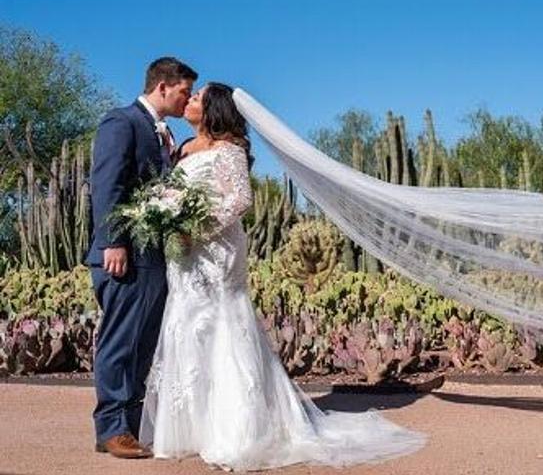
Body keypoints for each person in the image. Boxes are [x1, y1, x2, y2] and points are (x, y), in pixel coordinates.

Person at [139, 82, 426, 471]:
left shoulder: (230, 149)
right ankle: (193, 428)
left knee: (221, 323)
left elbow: (239, 200)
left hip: (216, 249)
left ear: (213, 110)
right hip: (184, 257)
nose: (189, 101)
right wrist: (170, 222)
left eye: (197, 98)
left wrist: (197, 229)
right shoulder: (182, 150)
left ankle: (237, 430)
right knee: (187, 322)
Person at [85, 57, 197, 459]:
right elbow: (107, 182)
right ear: (164, 86)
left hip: (153, 257)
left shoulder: (162, 134)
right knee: (120, 342)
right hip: (124, 255)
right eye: (184, 91)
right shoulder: (122, 122)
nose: (187, 100)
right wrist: (113, 241)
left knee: (142, 345)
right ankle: (112, 428)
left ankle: (128, 428)